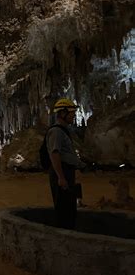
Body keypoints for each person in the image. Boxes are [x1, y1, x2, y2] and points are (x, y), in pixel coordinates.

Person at [46, 98, 81, 230]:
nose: (74, 115)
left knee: (70, 207)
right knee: (63, 208)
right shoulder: (56, 132)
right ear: (63, 113)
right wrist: (61, 177)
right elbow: (54, 154)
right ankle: (63, 235)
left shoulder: (63, 130)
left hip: (66, 172)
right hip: (61, 172)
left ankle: (69, 231)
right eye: (72, 113)